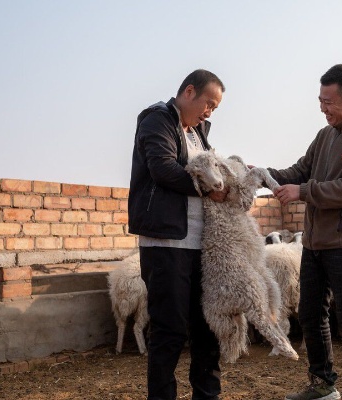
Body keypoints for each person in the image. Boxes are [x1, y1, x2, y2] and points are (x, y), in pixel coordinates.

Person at [269, 64, 342, 400]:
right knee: (310, 313)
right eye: (320, 101)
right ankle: (322, 384)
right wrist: (262, 175)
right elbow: (299, 170)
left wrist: (302, 191)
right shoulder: (326, 135)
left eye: (328, 102)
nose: (322, 108)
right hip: (315, 242)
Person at [128, 69, 227, 400]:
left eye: (215, 106)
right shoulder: (157, 120)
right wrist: (209, 187)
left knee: (207, 328)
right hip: (167, 243)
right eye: (208, 102)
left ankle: (207, 395)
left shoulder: (199, 134)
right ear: (188, 92)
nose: (210, 111)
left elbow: (213, 173)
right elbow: (163, 168)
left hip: (201, 245)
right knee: (169, 331)